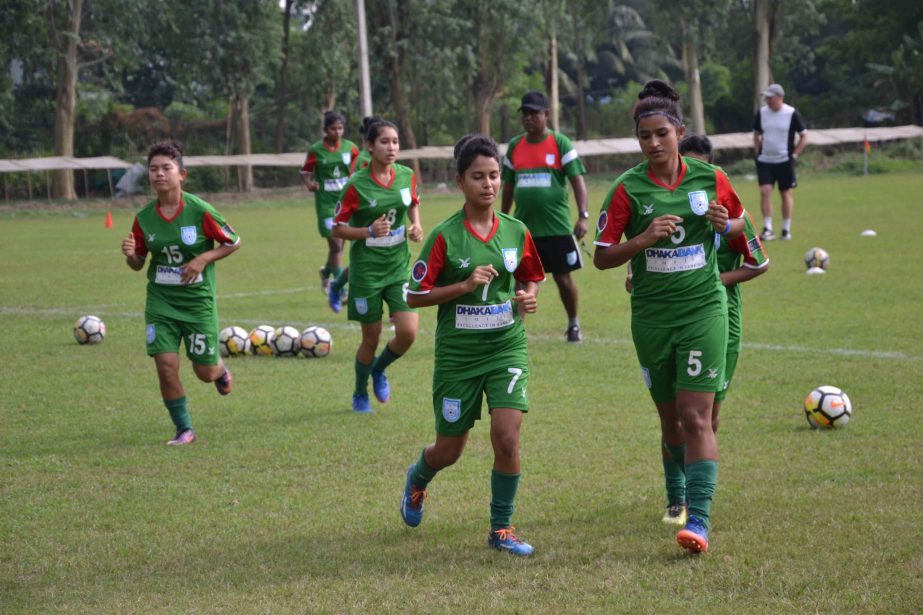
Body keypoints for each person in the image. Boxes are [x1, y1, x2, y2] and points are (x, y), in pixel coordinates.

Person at [593, 81, 747, 554]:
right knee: (670, 422)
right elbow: (601, 257)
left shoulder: (711, 178)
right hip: (652, 318)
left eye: (662, 133)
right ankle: (675, 493)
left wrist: (727, 224)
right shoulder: (627, 189)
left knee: (696, 417)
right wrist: (642, 239)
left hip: (703, 308)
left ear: (680, 132)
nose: (654, 143)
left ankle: (698, 521)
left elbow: (743, 226)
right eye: (645, 136)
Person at [400, 134, 544, 556]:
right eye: (478, 176)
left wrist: (528, 294)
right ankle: (418, 479)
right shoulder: (445, 237)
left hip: (506, 347)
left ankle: (501, 529)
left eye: (495, 175)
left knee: (506, 438)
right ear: (460, 181)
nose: (488, 184)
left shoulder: (516, 231)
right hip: (459, 356)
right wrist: (462, 285)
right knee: (449, 450)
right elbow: (414, 296)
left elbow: (531, 275)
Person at [630, 135, 769, 528]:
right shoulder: (652, 199)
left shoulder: (722, 211)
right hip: (663, 313)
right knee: (673, 419)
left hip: (716, 315)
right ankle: (677, 497)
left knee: (706, 418)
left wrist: (710, 279)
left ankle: (697, 501)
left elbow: (759, 262)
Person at [121, 139, 241, 445]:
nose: (159, 174)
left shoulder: (200, 210)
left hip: (197, 302)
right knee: (165, 365)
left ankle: (219, 369)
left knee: (204, 372)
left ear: (181, 174)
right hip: (161, 302)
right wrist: (131, 254)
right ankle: (184, 428)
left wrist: (203, 258)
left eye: (166, 168)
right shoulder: (144, 217)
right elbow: (138, 264)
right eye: (153, 169)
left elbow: (233, 241)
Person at [332, 119, 422, 413]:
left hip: (398, 268)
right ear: (370, 146)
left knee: (408, 332)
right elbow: (338, 228)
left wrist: (416, 226)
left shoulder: (406, 175)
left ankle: (379, 370)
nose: (392, 147)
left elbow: (411, 202)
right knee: (370, 339)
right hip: (367, 274)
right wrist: (368, 232)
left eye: (395, 142)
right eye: (385, 142)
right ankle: (359, 392)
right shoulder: (356, 185)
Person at [501, 91, 589, 343]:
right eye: (525, 114)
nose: (528, 118)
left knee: (563, 278)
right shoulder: (515, 146)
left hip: (557, 227)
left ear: (546, 115)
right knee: (520, 280)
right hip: (524, 229)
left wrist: (583, 216)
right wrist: (502, 220)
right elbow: (507, 187)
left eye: (534, 113)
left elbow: (578, 182)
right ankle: (514, 330)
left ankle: (573, 324)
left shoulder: (560, 143)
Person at [301, 110, 359, 294]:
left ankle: (326, 273)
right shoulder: (316, 150)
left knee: (339, 248)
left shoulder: (351, 148)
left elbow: (357, 170)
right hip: (326, 205)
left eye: (340, 128)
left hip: (345, 204)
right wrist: (309, 184)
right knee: (335, 246)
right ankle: (341, 289)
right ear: (326, 130)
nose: (338, 132)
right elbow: (305, 171)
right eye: (333, 128)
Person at [329, 115, 382, 313]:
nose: (389, 146)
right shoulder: (362, 161)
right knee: (366, 260)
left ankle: (396, 309)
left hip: (386, 218)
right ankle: (337, 284)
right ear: (370, 142)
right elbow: (355, 189)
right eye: (383, 140)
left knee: (383, 259)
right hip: (364, 218)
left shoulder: (387, 160)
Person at [753, 83, 808, 241]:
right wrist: (757, 152)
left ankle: (786, 229)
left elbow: (804, 135)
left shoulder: (791, 113)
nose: (768, 101)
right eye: (766, 98)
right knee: (765, 191)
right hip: (765, 160)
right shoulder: (762, 113)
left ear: (780, 97)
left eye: (771, 98)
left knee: (785, 193)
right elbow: (756, 134)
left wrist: (795, 154)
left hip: (784, 160)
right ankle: (768, 228)